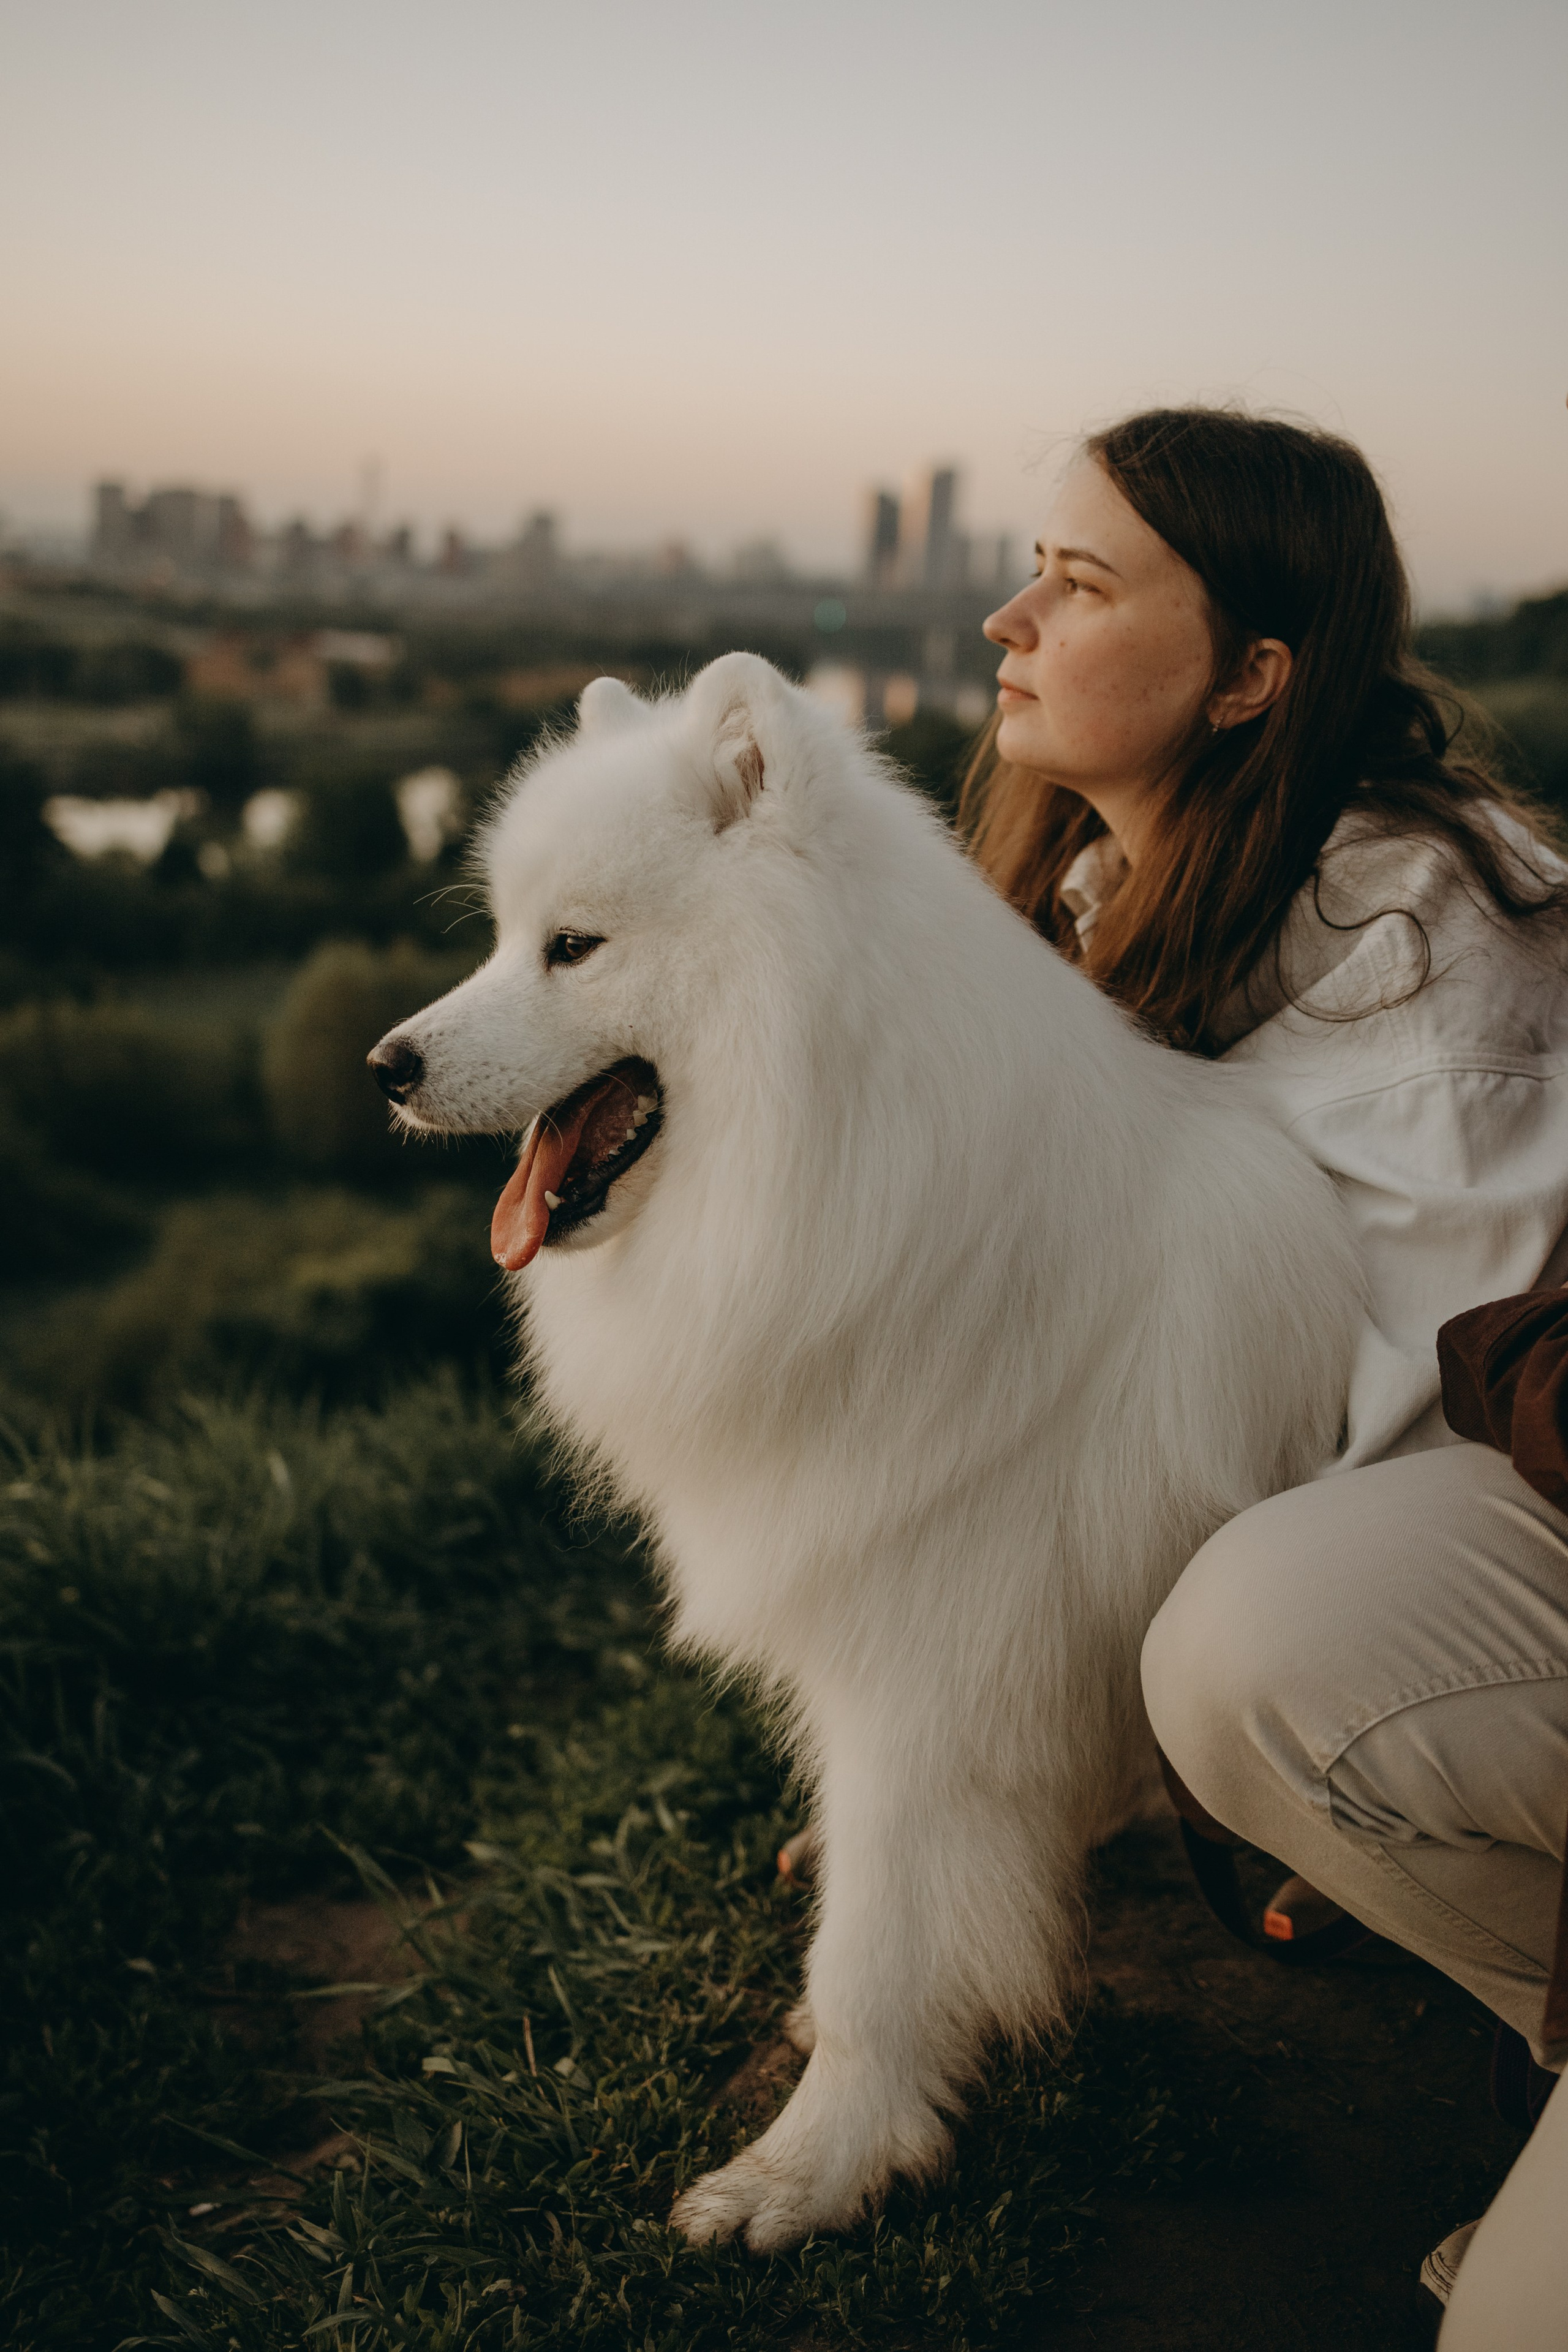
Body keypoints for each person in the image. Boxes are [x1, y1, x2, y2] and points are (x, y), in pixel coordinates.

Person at [966, 405, 1568, 2334]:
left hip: (1502, 1523)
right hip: (1405, 1569)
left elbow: (1416, 1441)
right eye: (1031, 570)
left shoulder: (1424, 959)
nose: (1008, 622)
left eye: (1079, 584)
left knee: (1255, 1651)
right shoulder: (1117, 894)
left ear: (1250, 679)